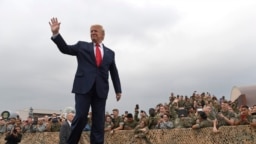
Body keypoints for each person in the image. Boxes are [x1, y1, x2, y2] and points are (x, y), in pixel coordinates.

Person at [49, 17, 122, 144]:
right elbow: (65, 49)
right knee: (81, 117)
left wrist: (118, 90)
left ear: (102, 35)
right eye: (91, 31)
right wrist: (56, 34)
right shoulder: (82, 46)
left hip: (101, 90)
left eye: (95, 31)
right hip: (83, 88)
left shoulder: (110, 53)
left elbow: (114, 72)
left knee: (99, 122)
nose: (93, 33)